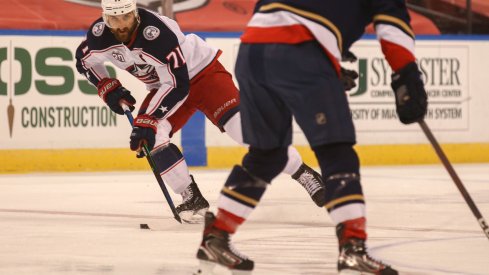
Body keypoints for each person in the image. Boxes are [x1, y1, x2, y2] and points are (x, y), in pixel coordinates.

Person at [195, 0, 427, 274]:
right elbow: (393, 25)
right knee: (336, 150)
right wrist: (407, 75)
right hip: (301, 48)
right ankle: (353, 248)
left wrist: (326, 64)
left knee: (267, 154)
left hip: (252, 51)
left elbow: (273, 11)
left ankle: (216, 237)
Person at [75, 0, 326, 222]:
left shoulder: (157, 34)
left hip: (202, 75)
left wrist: (146, 119)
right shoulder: (100, 36)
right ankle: (191, 197)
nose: (121, 24)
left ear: (136, 13)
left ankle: (303, 173)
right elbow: (84, 60)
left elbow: (180, 84)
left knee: (243, 131)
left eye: (126, 16)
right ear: (105, 18)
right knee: (153, 137)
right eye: (114, 19)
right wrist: (108, 86)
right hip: (165, 85)